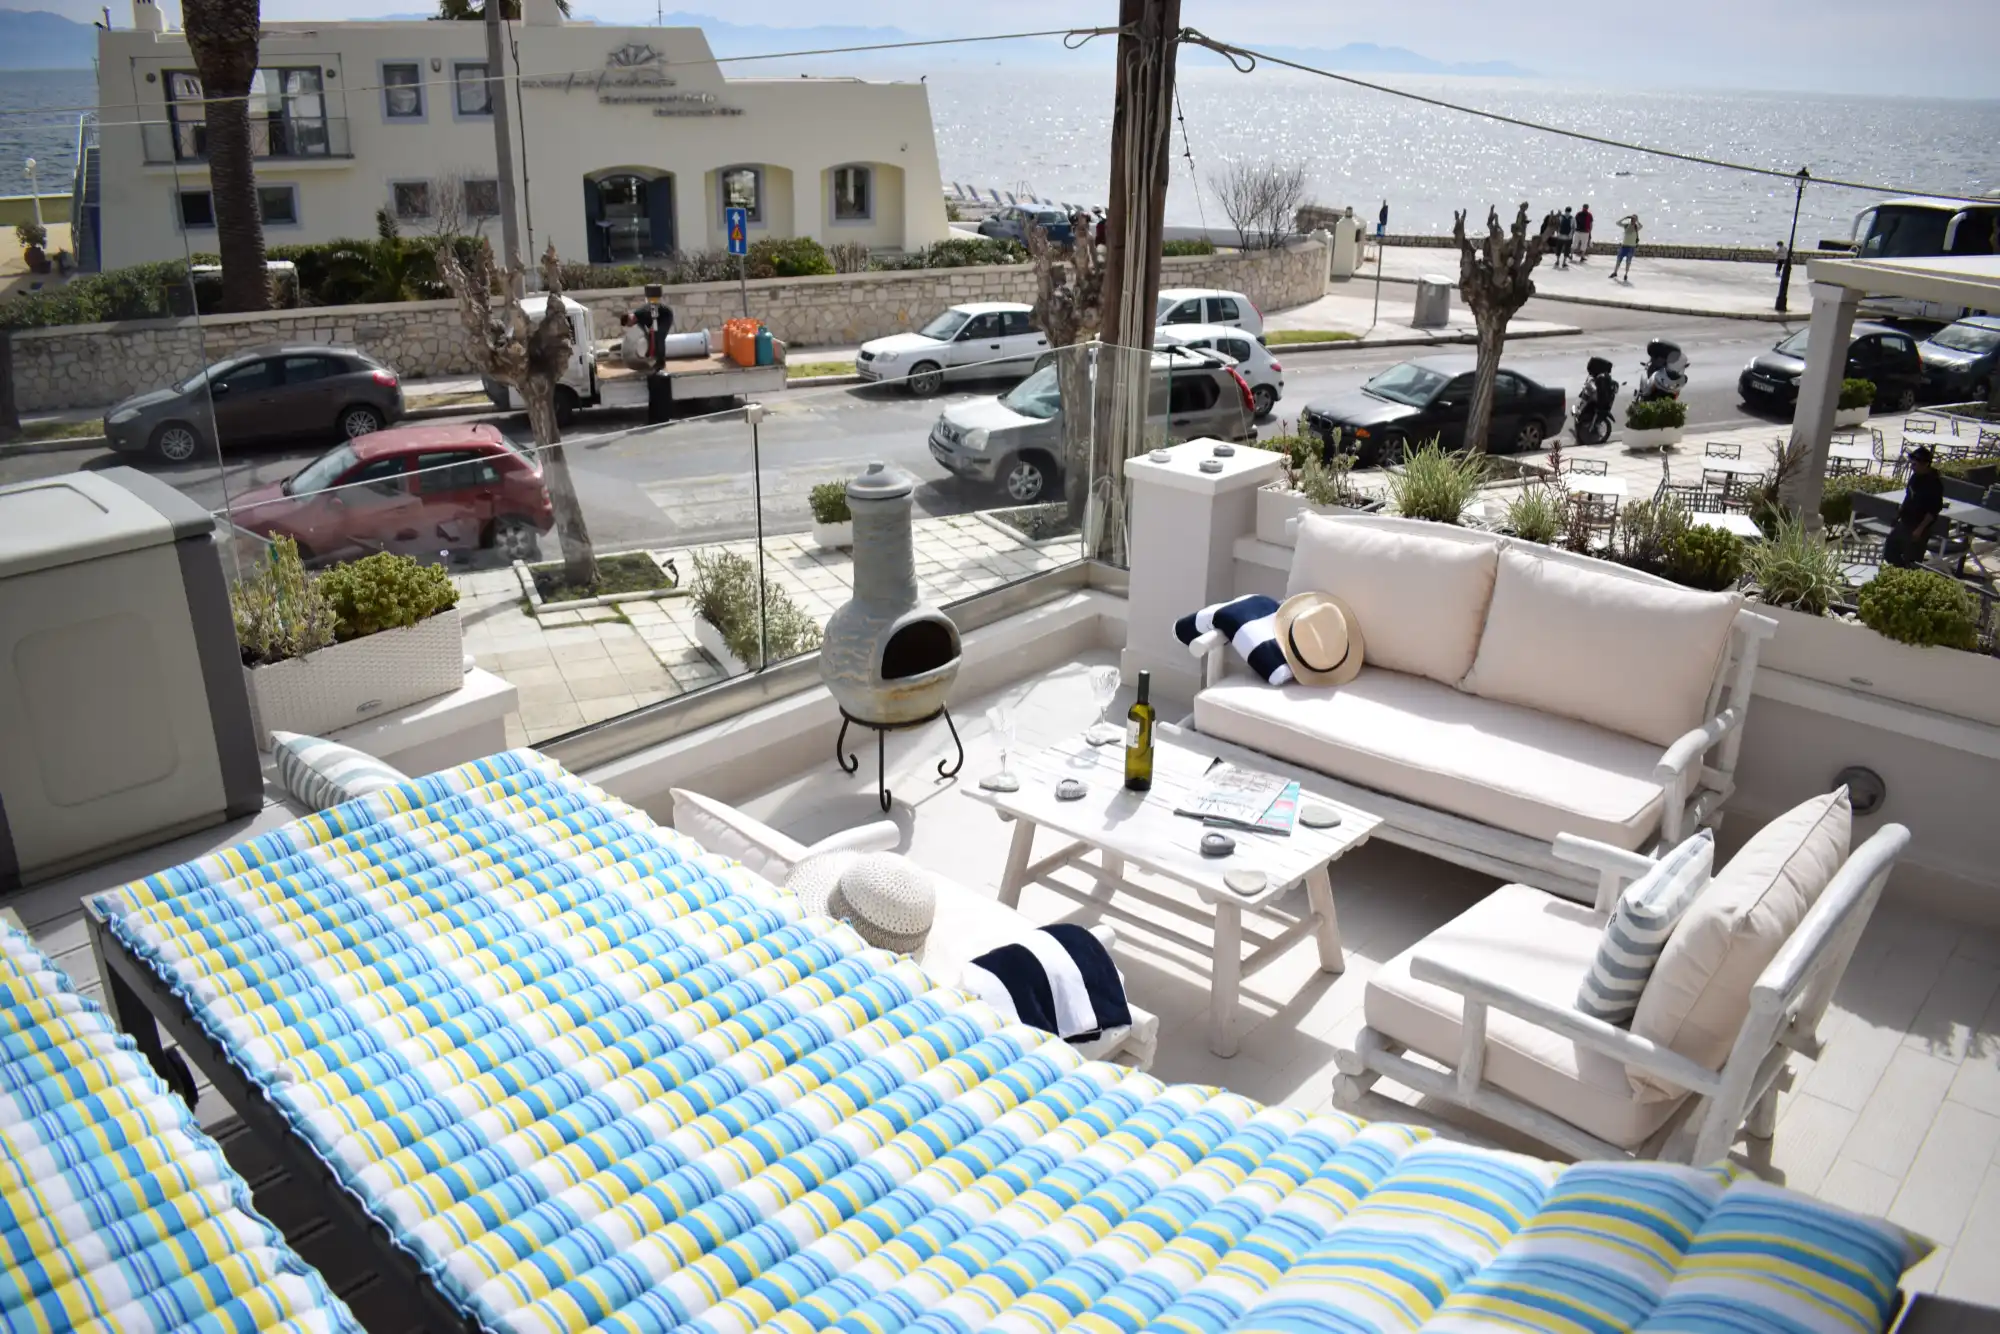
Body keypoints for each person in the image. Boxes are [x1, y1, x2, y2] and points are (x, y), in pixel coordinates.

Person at [1885, 445, 1946, 568]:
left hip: (1918, 526)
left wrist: (1920, 529)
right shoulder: (1915, 477)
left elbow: (1933, 510)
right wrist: (1898, 514)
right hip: (1905, 521)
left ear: (1925, 464)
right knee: (1890, 552)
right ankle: (1897, 572)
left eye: (1915, 465)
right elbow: (1909, 496)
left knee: (1911, 560)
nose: (1912, 468)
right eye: (1911, 464)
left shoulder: (1934, 483)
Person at [1611, 212, 1641, 281]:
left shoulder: (1636, 227)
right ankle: (1615, 272)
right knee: (1619, 260)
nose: (1633, 220)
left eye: (1634, 219)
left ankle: (1626, 274)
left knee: (1628, 262)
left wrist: (1637, 220)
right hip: (1624, 246)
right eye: (1632, 218)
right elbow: (1617, 223)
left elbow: (1641, 226)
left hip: (1631, 247)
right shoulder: (1626, 225)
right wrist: (1625, 218)